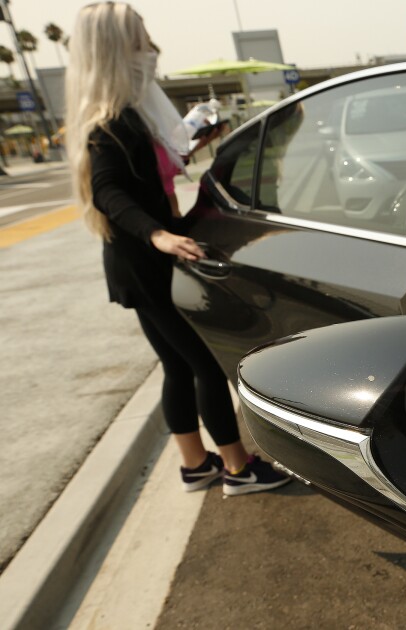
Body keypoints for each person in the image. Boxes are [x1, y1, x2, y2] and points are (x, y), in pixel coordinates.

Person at [65, 2, 290, 496]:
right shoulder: (113, 123)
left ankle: (195, 464)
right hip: (146, 263)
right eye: (141, 42)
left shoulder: (126, 116)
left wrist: (192, 144)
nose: (153, 51)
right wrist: (158, 234)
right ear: (116, 51)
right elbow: (109, 192)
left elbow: (139, 179)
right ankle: (237, 467)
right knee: (204, 365)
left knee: (177, 365)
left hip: (136, 265)